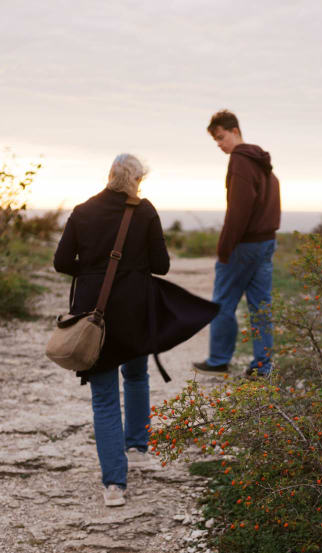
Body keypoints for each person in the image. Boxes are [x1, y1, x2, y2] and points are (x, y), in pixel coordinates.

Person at [54, 154, 217, 508]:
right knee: (136, 374)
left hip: (93, 312)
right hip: (134, 309)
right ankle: (138, 448)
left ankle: (114, 485)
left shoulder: (82, 211)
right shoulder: (144, 211)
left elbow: (61, 262)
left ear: (109, 175)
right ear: (137, 180)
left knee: (104, 397)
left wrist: (93, 270)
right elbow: (161, 265)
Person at [193, 109, 281, 377]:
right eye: (216, 141)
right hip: (266, 242)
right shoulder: (262, 162)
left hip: (244, 245)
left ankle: (219, 360)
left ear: (235, 131)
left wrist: (224, 248)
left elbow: (238, 211)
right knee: (260, 307)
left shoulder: (240, 160)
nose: (219, 144)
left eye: (221, 137)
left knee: (222, 302)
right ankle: (263, 366)